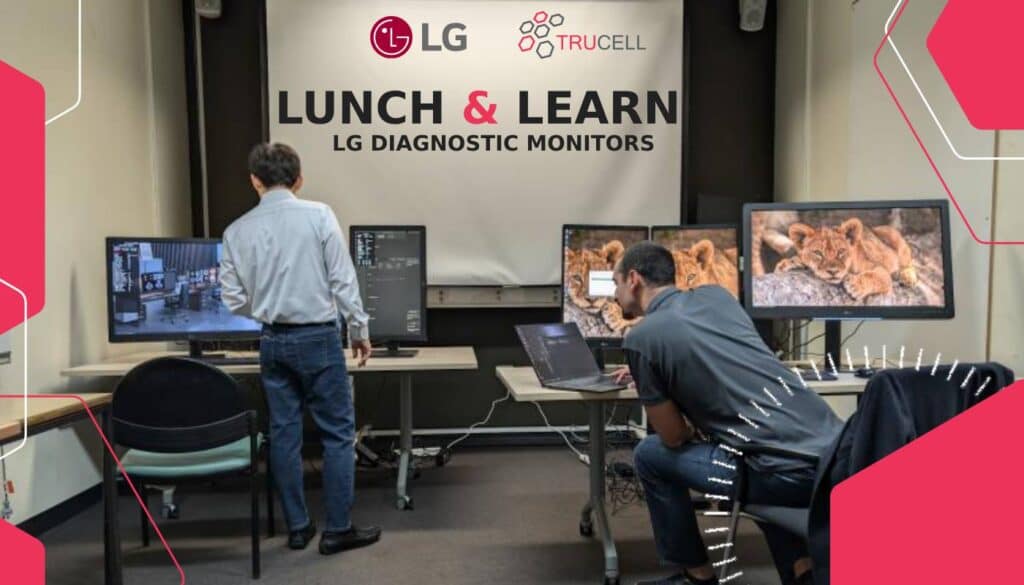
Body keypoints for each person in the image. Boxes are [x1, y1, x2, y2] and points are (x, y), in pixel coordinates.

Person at [610, 242, 842, 585]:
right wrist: (656, 371)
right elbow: (719, 356)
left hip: (783, 475)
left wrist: (654, 379)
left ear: (633, 279)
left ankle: (696, 574)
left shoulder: (641, 338)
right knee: (755, 449)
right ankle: (801, 568)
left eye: (615, 283)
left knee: (650, 455)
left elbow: (673, 437)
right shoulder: (718, 297)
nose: (614, 295)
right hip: (838, 456)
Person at [219, 142, 381, 555]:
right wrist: (359, 330)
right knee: (337, 435)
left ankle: (297, 527)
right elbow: (343, 281)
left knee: (284, 436)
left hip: (272, 340)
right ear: (299, 179)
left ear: (255, 181)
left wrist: (270, 308)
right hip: (320, 339)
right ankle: (337, 530)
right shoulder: (319, 215)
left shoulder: (236, 231)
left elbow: (233, 299)